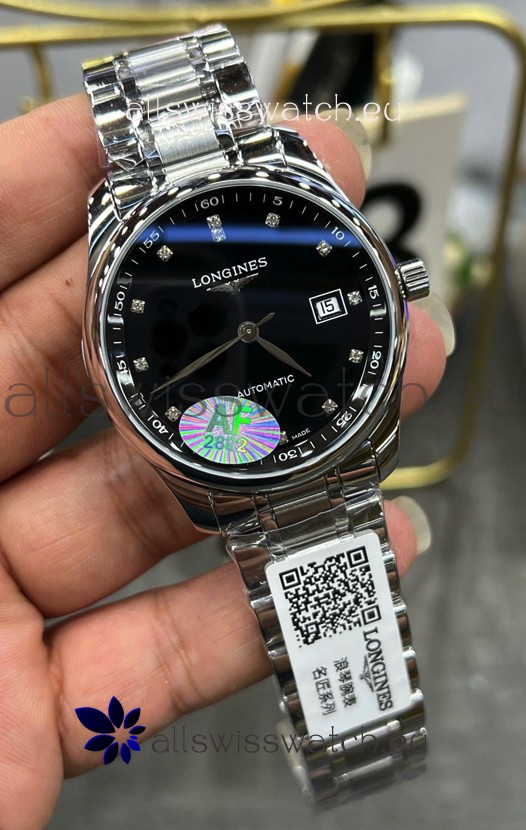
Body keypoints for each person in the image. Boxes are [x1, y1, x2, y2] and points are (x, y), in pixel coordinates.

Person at [0, 93, 447, 829]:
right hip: (242, 457)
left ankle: (359, 730)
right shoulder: (124, 316)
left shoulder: (305, 211)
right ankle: (358, 733)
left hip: (327, 440)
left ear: (397, 282)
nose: (245, 329)